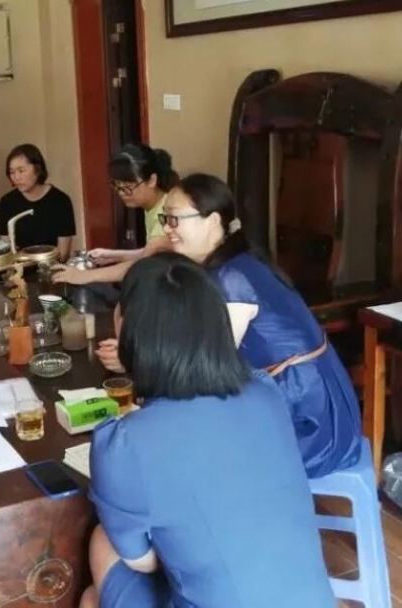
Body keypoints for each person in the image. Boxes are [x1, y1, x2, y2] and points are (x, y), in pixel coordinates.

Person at [81, 252, 335, 608]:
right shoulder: (265, 393)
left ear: (130, 333)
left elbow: (144, 561)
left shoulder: (124, 444)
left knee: (100, 554)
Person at [158, 173, 362, 477]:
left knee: (189, 446)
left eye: (174, 219)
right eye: (165, 218)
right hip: (300, 396)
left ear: (212, 221)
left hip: (310, 418)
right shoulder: (236, 262)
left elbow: (211, 368)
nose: (167, 228)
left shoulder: (231, 278)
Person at [52, 143, 175, 285]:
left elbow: (144, 265)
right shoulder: (153, 206)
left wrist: (85, 276)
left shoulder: (166, 210)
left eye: (128, 187)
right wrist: (113, 255)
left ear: (152, 180)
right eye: (117, 186)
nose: (122, 193)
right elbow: (152, 252)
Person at [0, 143, 76, 261]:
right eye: (12, 172)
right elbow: (6, 249)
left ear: (38, 170)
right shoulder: (6, 202)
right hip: (18, 267)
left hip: (52, 267)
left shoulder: (60, 201)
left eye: (21, 171)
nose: (16, 177)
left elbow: (63, 253)